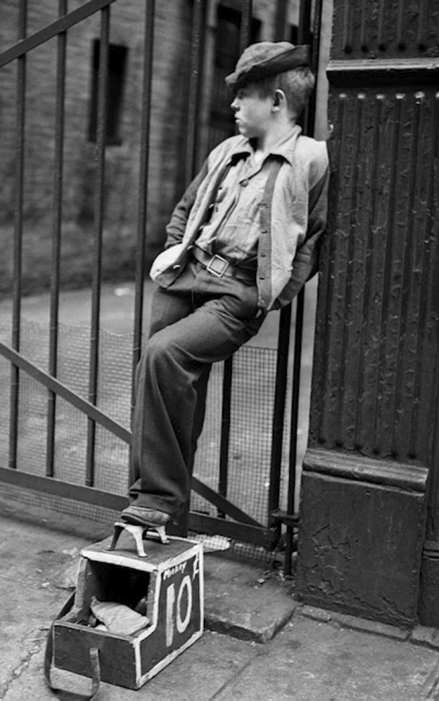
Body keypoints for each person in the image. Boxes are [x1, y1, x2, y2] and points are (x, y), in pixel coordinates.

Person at [121, 41, 330, 532]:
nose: (233, 106)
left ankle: (154, 498)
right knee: (164, 383)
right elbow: (184, 208)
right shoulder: (226, 152)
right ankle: (161, 515)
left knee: (164, 355)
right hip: (186, 275)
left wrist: (273, 292)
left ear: (276, 102)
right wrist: (175, 251)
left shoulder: (310, 159)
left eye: (244, 97)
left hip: (237, 293)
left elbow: (315, 239)